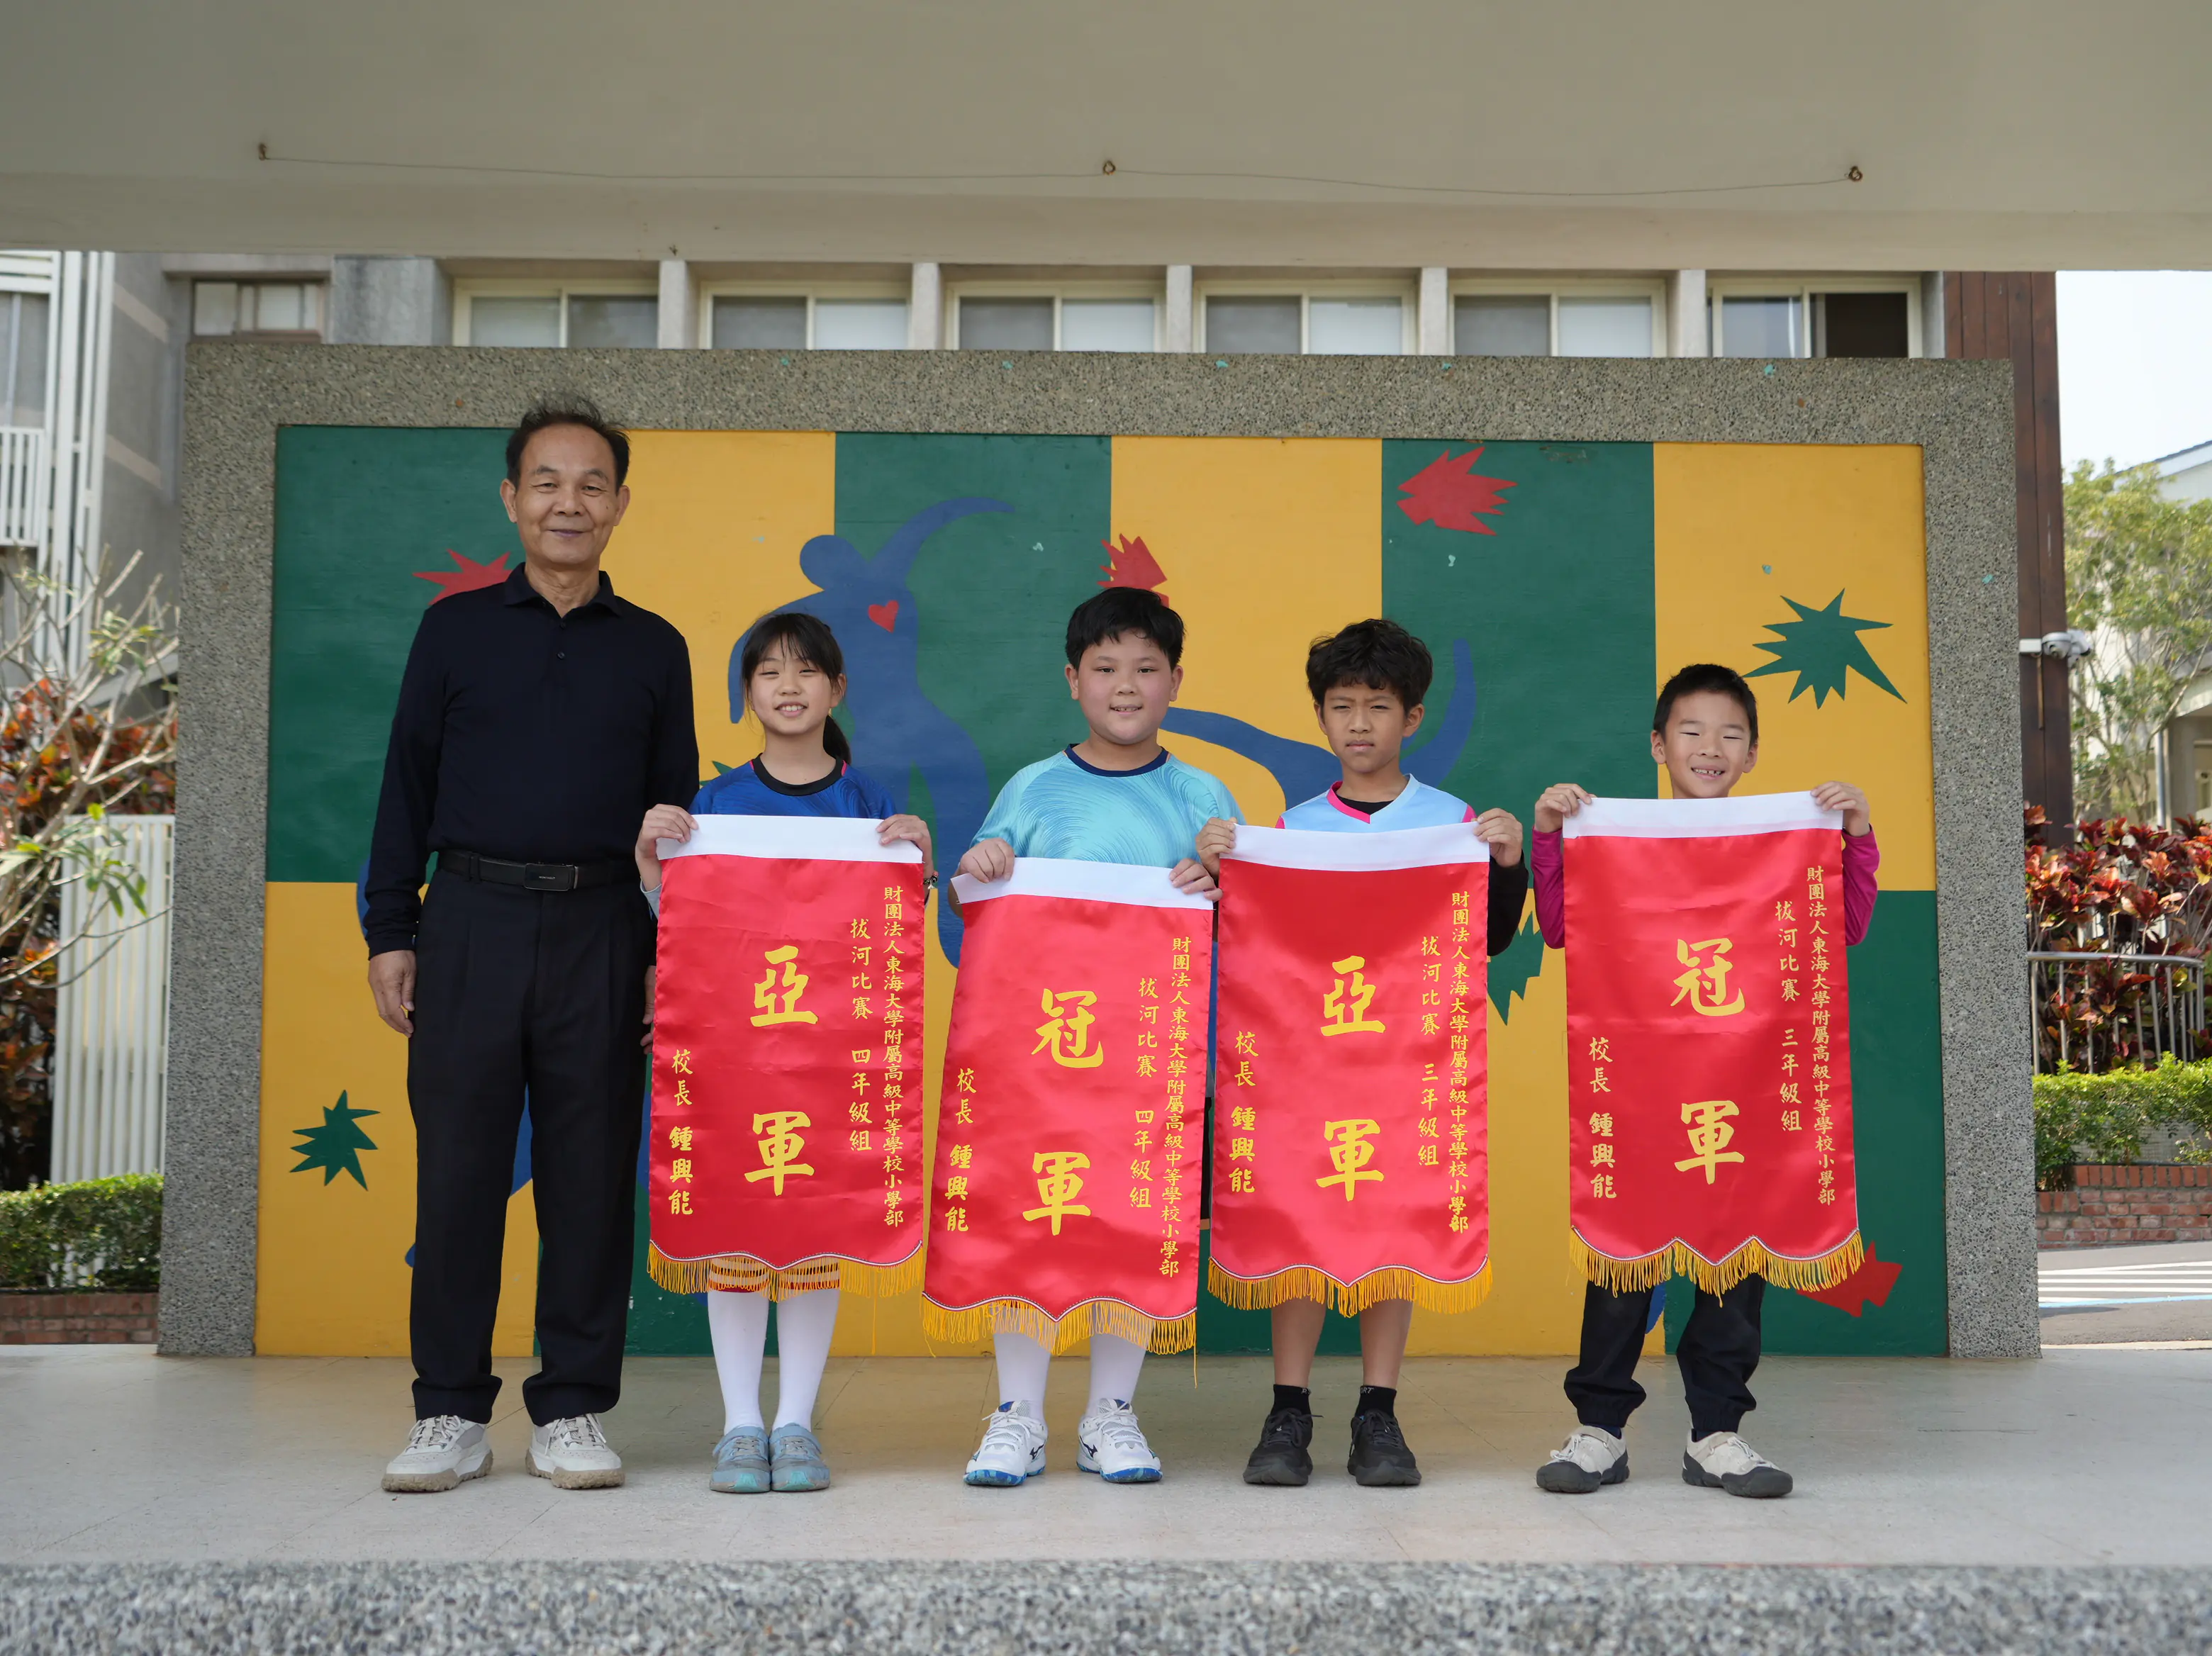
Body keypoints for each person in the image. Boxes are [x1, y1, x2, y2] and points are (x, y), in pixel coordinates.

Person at [369, 397, 698, 1494]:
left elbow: (675, 812)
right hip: (469, 921)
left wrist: (665, 948)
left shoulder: (655, 648)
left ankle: (572, 1407)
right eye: (547, 482)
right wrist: (391, 929)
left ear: (621, 504)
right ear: (512, 499)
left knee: (589, 1180)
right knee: (458, 1175)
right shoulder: (455, 631)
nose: (570, 502)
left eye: (591, 484)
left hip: (605, 929)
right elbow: (405, 784)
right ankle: (449, 1409)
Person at [1527, 662, 1878, 1500]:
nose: (1709, 747)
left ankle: (1717, 1433)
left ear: (1753, 753)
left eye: (1730, 734)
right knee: (1623, 1263)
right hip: (1643, 1095)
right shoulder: (1620, 837)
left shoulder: (1782, 840)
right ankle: (1599, 1431)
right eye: (1690, 730)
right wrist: (1549, 833)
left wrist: (1856, 836)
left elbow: (1846, 925)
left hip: (1743, 1091)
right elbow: (1561, 925)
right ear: (1659, 745)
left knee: (1734, 1270)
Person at [1226, 618, 1529, 1489]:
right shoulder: (1290, 829)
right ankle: (1288, 1408)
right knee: (1299, 1225)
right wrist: (1222, 867)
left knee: (1392, 1226)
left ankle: (1378, 1409)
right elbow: (1254, 949)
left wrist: (1508, 862)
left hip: (1406, 1070)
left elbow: (1489, 939)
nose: (1359, 723)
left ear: (1414, 716)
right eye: (1341, 706)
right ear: (1321, 716)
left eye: (1379, 706)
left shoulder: (1452, 822)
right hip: (1305, 1071)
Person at [636, 613, 933, 1494]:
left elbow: (893, 932)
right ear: (747, 695)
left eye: (807, 671)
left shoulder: (869, 804)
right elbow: (678, 927)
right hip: (733, 1059)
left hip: (830, 1064)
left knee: (811, 1233)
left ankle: (796, 1422)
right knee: (734, 1231)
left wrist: (918, 860)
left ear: (837, 690)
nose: (789, 686)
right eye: (769, 672)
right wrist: (653, 862)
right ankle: (740, 1424)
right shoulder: (713, 804)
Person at [949, 586, 1239, 1487]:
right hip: (1039, 1062)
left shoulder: (1203, 795)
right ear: (1072, 679)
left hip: (1152, 1058)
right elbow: (974, 904)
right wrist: (980, 863)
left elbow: (1251, 924)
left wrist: (1226, 880)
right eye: (1105, 667)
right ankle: (1018, 1414)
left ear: (1176, 681)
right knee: (1026, 1219)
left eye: (1146, 668)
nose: (1125, 685)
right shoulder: (1033, 787)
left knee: (1134, 1217)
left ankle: (1111, 1411)